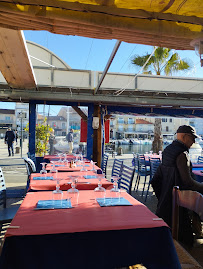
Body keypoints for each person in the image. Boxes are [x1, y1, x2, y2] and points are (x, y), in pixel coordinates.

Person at [151, 125, 203, 245]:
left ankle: (196, 225)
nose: (194, 141)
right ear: (184, 137)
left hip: (167, 199)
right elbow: (187, 182)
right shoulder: (182, 154)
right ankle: (197, 226)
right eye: (192, 138)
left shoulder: (168, 150)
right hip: (180, 200)